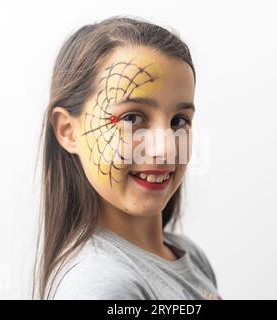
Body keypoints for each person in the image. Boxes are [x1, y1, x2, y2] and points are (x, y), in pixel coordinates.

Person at [34, 15, 222, 300]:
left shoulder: (190, 257)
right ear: (68, 130)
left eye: (178, 121)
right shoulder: (100, 285)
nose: (165, 149)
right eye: (132, 117)